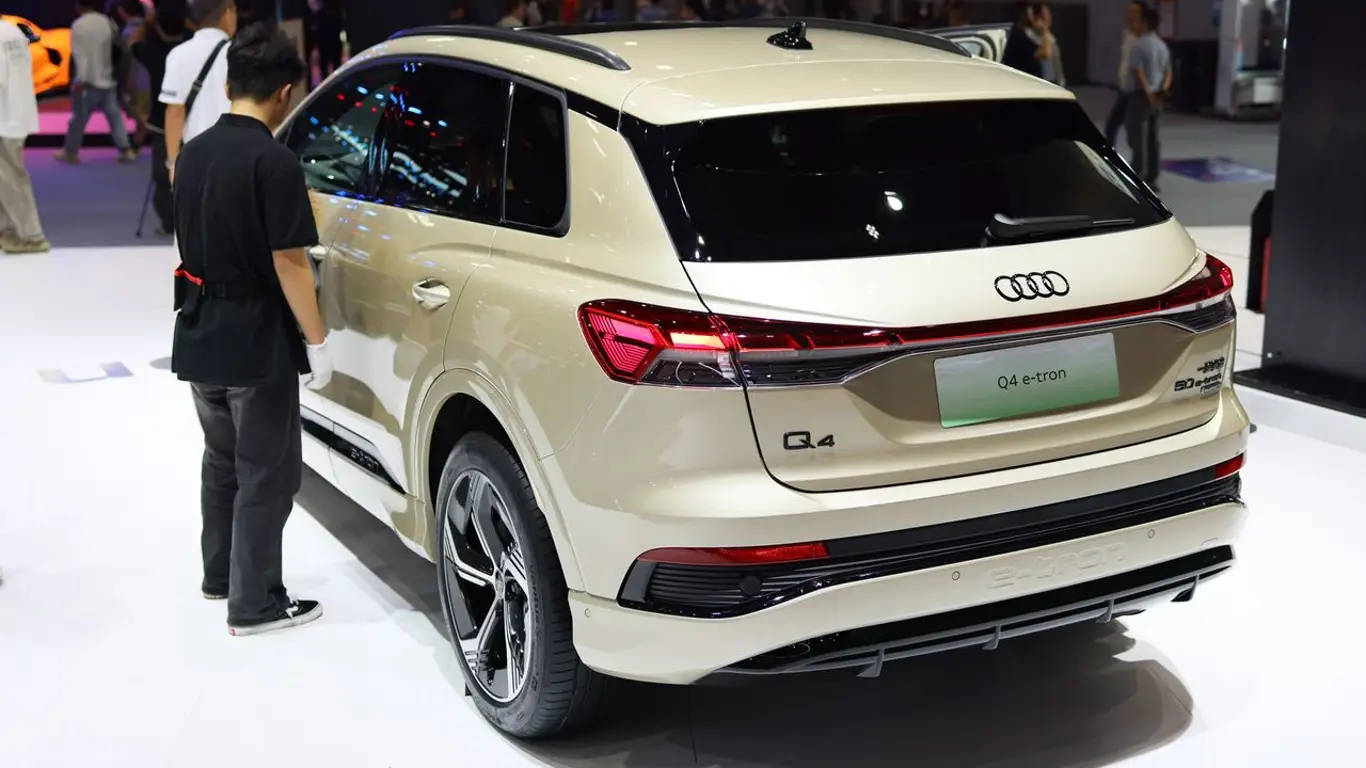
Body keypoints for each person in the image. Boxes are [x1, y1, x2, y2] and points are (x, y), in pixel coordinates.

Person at [172, 21, 330, 636]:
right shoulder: (275, 162)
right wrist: (317, 338)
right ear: (286, 92)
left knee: (222, 461)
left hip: (199, 330)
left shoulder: (192, 153)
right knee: (269, 471)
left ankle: (220, 578)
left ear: (229, 83)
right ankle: (256, 603)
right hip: (256, 341)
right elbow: (290, 264)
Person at [162, 0, 237, 184]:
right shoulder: (239, 53)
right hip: (236, 153)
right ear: (227, 13)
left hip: (195, 156)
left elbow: (174, 111)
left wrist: (173, 162)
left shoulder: (178, 54)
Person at [132, 0, 191, 236]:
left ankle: (170, 223)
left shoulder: (153, 52)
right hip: (193, 119)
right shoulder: (191, 49)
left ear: (157, 24)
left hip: (160, 122)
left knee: (163, 173)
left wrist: (147, 23)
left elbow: (134, 43)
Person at [56, 0, 138, 164]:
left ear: (79, 5)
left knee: (79, 118)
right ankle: (126, 149)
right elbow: (116, 49)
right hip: (107, 77)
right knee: (114, 116)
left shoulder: (79, 25)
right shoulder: (106, 22)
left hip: (88, 81)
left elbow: (80, 55)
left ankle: (70, 151)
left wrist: (80, 78)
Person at [0, 17, 49, 254]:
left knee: (10, 179)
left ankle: (31, 236)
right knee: (8, 177)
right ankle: (8, 232)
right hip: (16, 112)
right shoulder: (13, 31)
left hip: (4, 117)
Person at [1124, 5, 1172, 190]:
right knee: (1154, 140)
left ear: (1144, 23)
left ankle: (1139, 178)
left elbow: (1138, 72)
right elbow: (1168, 72)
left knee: (1139, 140)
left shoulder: (1139, 45)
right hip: (1158, 97)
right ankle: (1152, 177)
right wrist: (1161, 91)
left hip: (1141, 97)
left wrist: (1148, 94)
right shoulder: (1162, 46)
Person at [1105, 1, 1144, 146]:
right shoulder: (1126, 34)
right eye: (1128, 12)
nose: (1129, 16)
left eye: (1133, 12)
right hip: (1125, 87)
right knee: (1114, 126)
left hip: (1135, 89)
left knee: (1117, 125)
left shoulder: (1143, 37)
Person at [1000, 2, 1051, 80]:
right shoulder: (1019, 36)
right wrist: (1045, 29)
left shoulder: (1016, 34)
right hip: (1025, 80)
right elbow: (1045, 53)